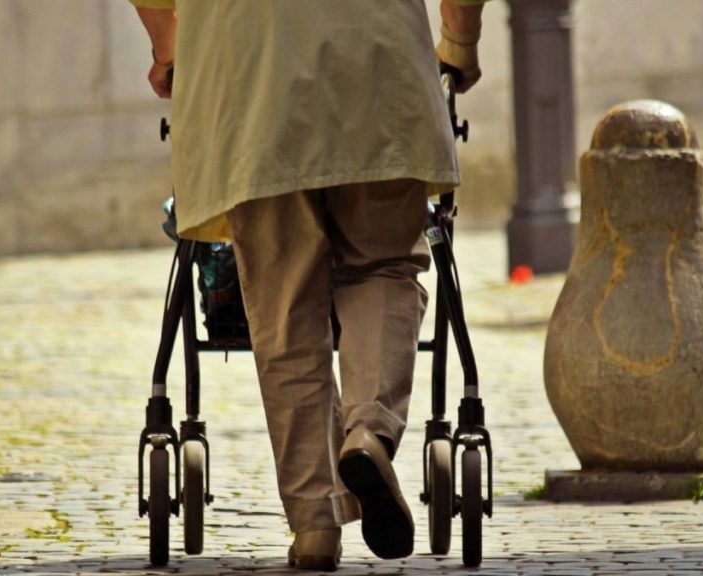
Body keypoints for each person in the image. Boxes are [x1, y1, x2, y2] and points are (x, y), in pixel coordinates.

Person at [129, 0, 487, 571]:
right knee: (382, 265)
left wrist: (169, 49)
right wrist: (460, 44)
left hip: (249, 77)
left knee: (285, 301)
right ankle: (368, 432)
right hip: (377, 63)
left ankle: (316, 522)